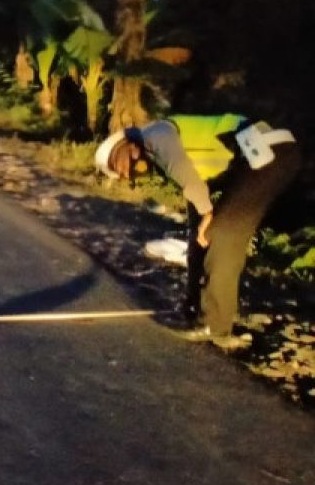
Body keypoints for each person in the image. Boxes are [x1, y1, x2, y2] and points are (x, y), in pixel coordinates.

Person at [96, 114, 301, 350]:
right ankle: (197, 312)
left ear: (126, 145)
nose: (124, 174)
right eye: (120, 175)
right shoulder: (158, 158)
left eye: (118, 165)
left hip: (270, 151)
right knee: (202, 236)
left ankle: (216, 327)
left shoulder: (154, 135)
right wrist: (190, 302)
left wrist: (207, 215)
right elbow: (196, 194)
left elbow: (187, 177)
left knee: (223, 233)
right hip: (252, 161)